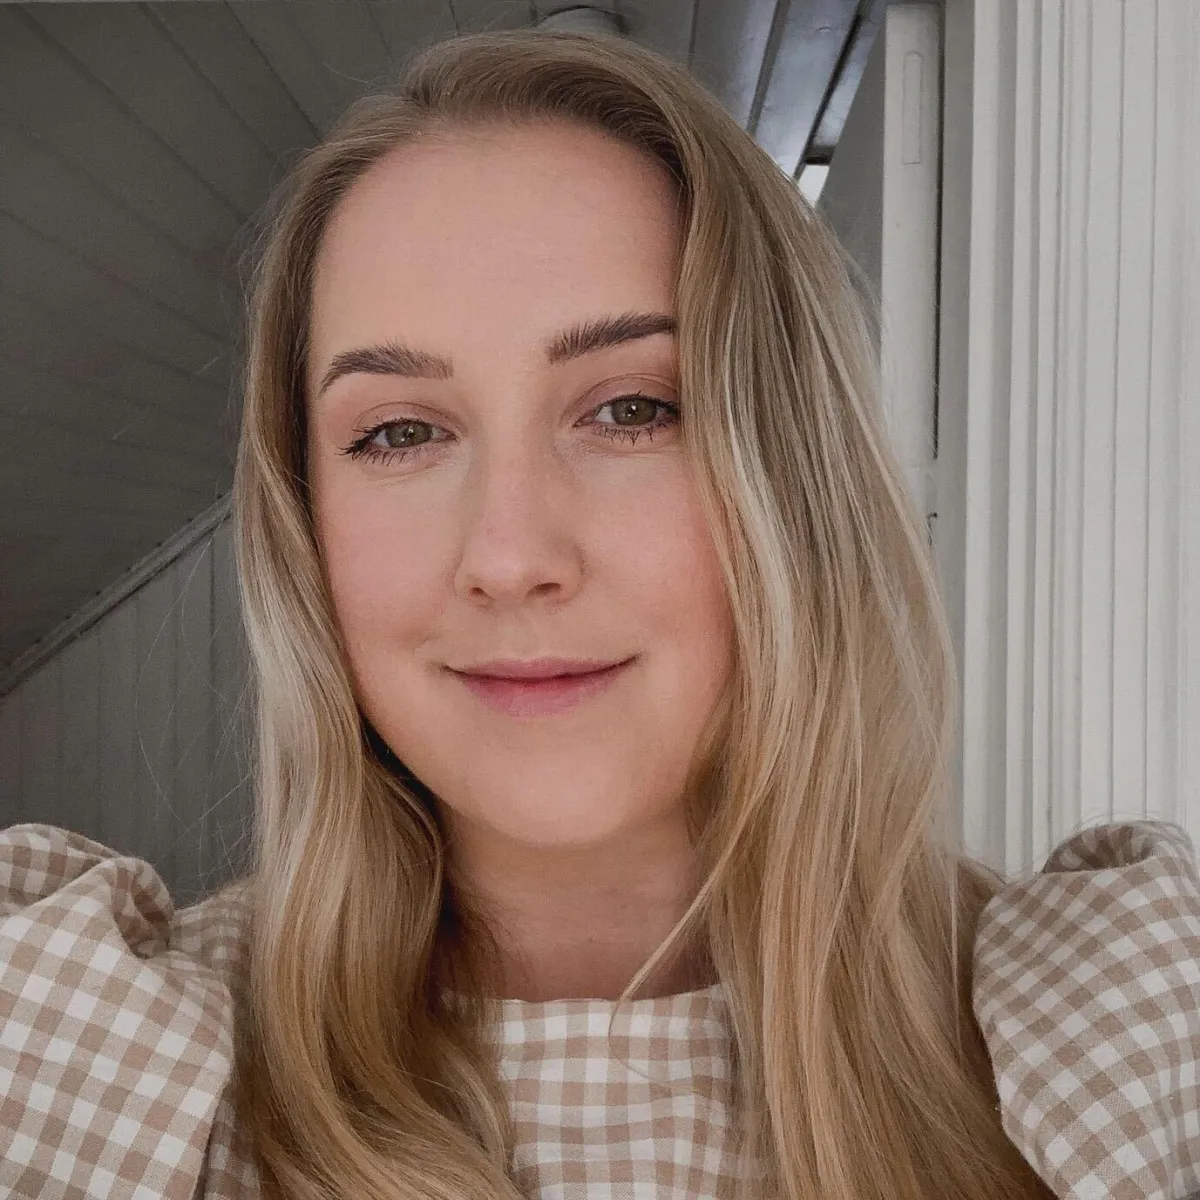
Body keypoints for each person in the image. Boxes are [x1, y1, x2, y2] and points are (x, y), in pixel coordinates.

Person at [2, 27, 1198, 1200]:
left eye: (633, 410)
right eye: (401, 432)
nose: (510, 557)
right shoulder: (79, 1052)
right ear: (304, 517)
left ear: (797, 470)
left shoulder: (1126, 1025)